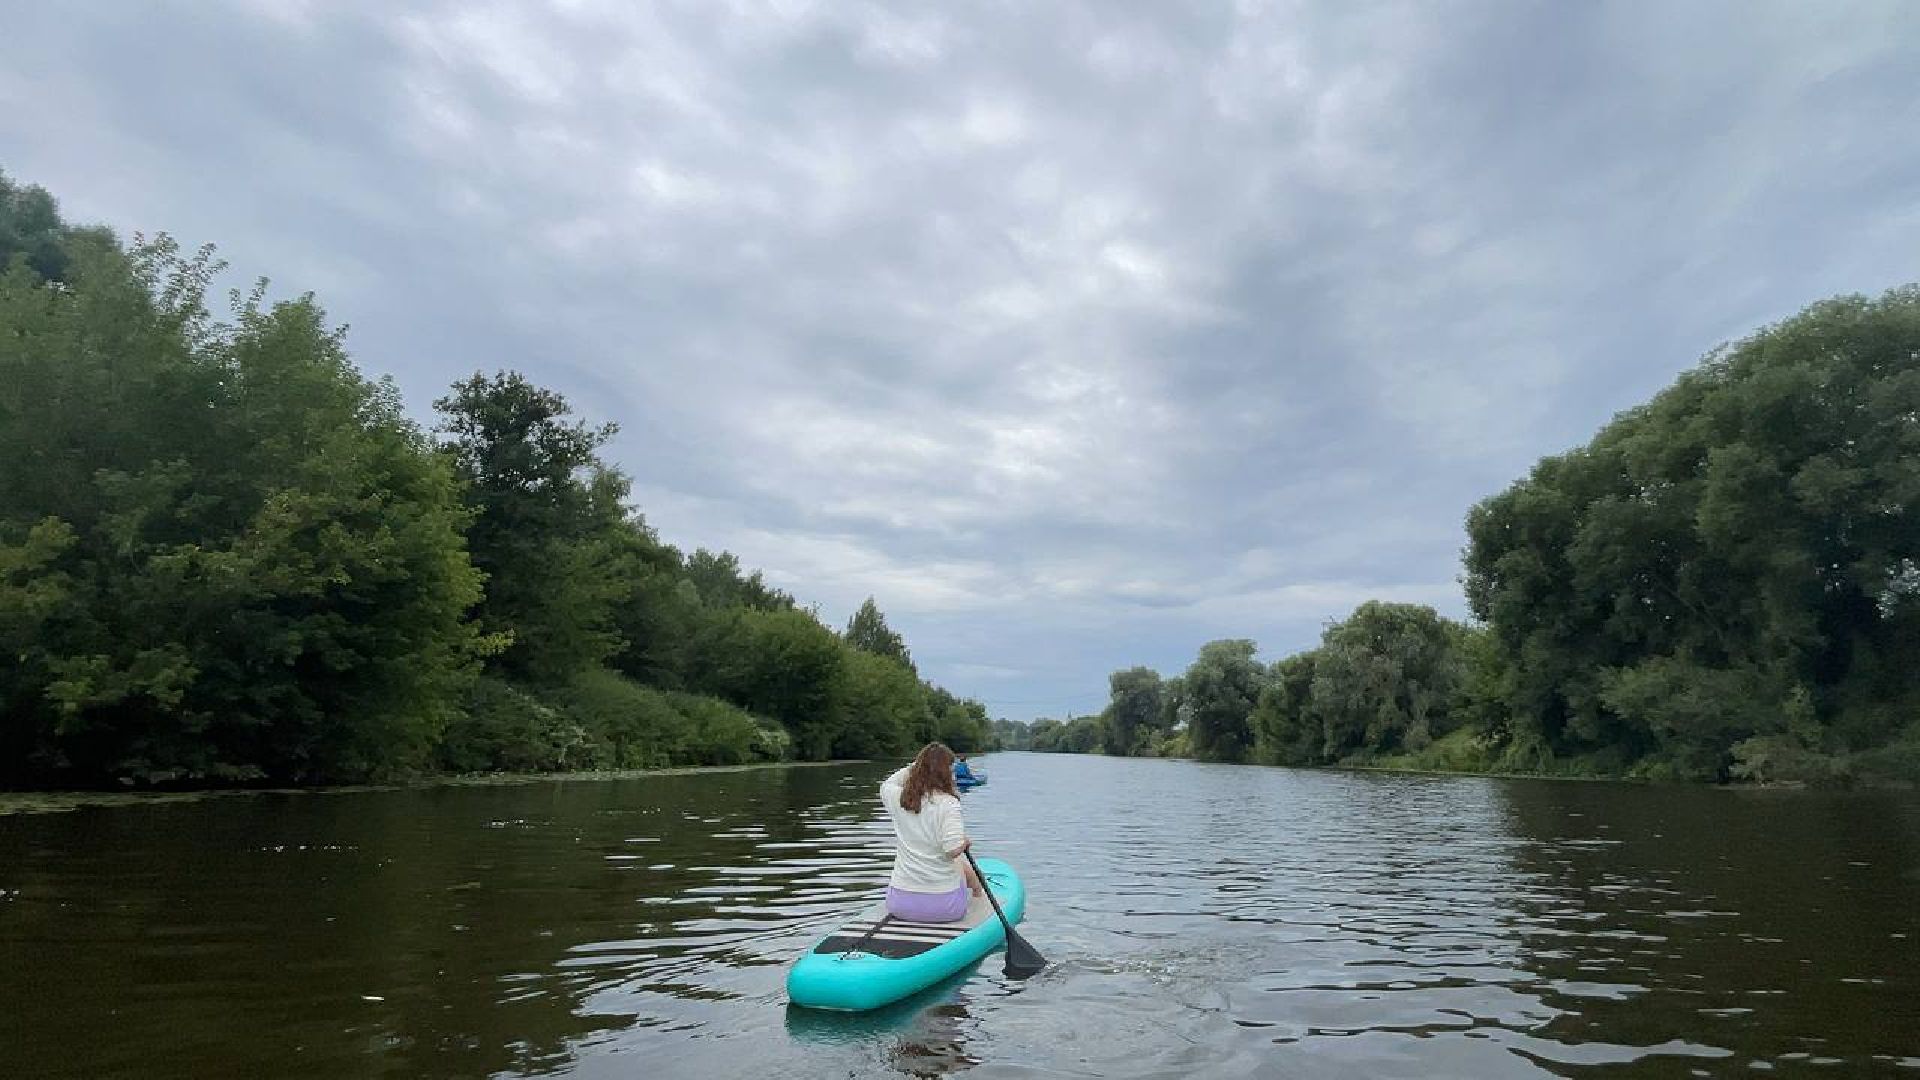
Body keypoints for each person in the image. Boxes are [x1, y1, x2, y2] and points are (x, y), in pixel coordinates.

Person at [879, 742, 985, 923]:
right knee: (958, 860)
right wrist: (964, 843)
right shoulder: (948, 803)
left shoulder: (896, 797)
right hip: (944, 908)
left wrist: (917, 765)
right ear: (945, 772)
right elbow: (952, 849)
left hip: (899, 905)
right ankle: (978, 894)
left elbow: (889, 782)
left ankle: (977, 891)